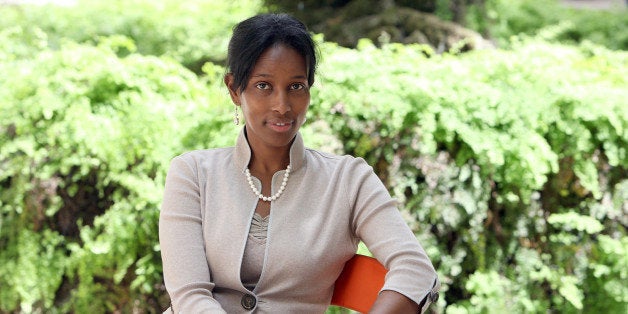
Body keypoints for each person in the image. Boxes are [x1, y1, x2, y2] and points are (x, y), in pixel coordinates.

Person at [159, 13, 440, 313]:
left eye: (296, 86)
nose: (282, 106)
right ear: (234, 89)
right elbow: (190, 297)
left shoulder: (348, 180)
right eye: (263, 86)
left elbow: (416, 269)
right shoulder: (192, 174)